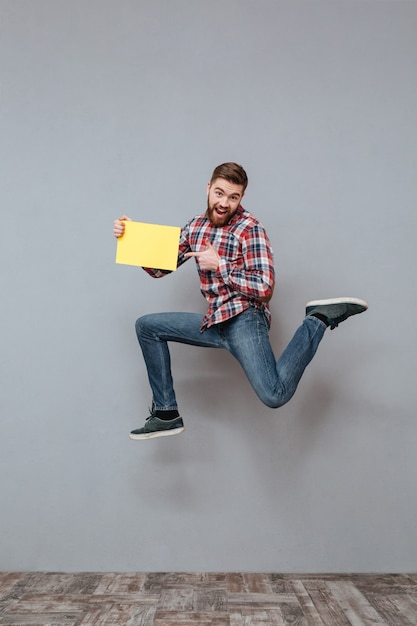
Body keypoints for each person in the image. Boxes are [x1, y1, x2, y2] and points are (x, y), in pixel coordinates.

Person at [113, 162, 367, 440]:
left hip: (245, 320)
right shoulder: (195, 227)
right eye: (219, 193)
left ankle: (317, 319)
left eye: (233, 197)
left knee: (274, 395)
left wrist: (220, 264)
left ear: (241, 198)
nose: (224, 203)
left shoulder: (250, 229)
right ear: (208, 188)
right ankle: (166, 414)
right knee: (147, 327)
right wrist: (130, 237)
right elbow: (159, 268)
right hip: (214, 322)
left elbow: (265, 288)